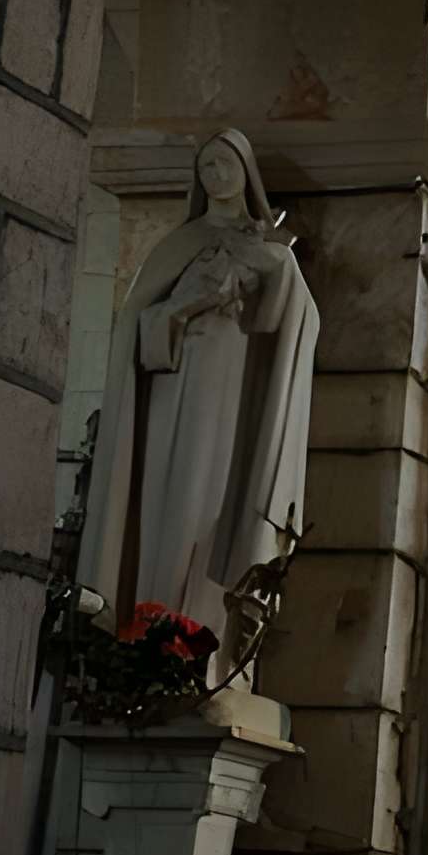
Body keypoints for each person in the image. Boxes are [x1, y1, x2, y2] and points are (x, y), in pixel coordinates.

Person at [76, 130, 321, 657]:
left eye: (225, 162)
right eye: (206, 164)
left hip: (231, 398)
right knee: (163, 502)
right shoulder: (177, 246)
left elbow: (284, 323)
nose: (216, 173)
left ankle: (201, 643)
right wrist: (186, 306)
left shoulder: (267, 249)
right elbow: (137, 334)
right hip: (169, 393)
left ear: (245, 170)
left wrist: (275, 272)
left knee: (211, 504)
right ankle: (150, 632)